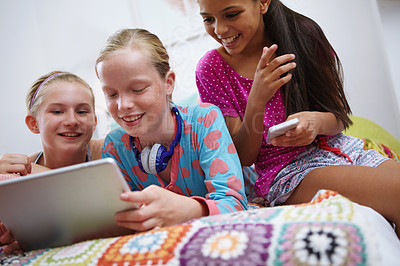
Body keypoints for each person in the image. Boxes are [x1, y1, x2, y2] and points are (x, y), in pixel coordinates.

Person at [195, 0, 400, 237]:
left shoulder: (304, 35)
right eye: (208, 19)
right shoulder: (211, 69)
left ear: (262, 3)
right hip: (286, 172)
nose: (219, 30)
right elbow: (242, 156)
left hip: (342, 149)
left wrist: (316, 123)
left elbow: (340, 116)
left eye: (231, 14)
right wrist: (257, 98)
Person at [95, 28, 247, 232]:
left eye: (138, 89)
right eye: (112, 94)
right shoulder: (115, 147)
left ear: (168, 83)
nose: (123, 105)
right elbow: (123, 218)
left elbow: (234, 205)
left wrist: (187, 210)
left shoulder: (204, 119)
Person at [0, 71, 103, 254]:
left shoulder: (111, 152)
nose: (72, 121)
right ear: (34, 124)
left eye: (82, 111)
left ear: (94, 122)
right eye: (57, 111)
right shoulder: (16, 171)